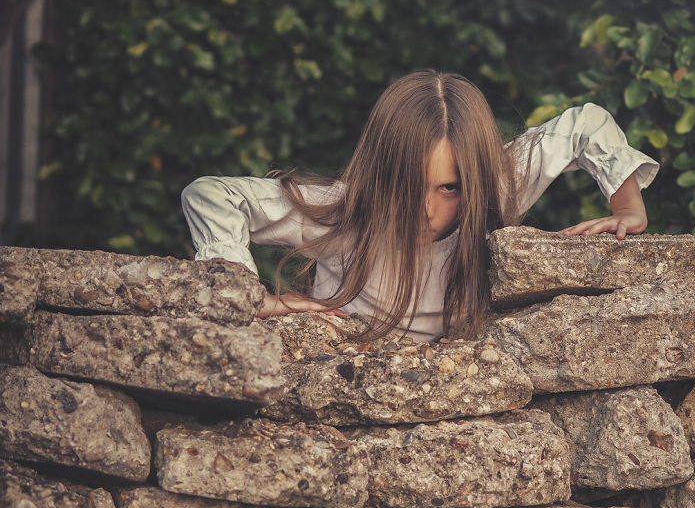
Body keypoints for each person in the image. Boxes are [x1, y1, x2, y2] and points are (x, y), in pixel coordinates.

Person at [181, 70, 657, 343]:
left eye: (449, 188)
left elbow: (585, 124)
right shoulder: (343, 212)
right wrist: (248, 297)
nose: (425, 209)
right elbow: (210, 195)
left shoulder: (495, 184)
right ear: (381, 175)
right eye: (408, 187)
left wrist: (628, 208)